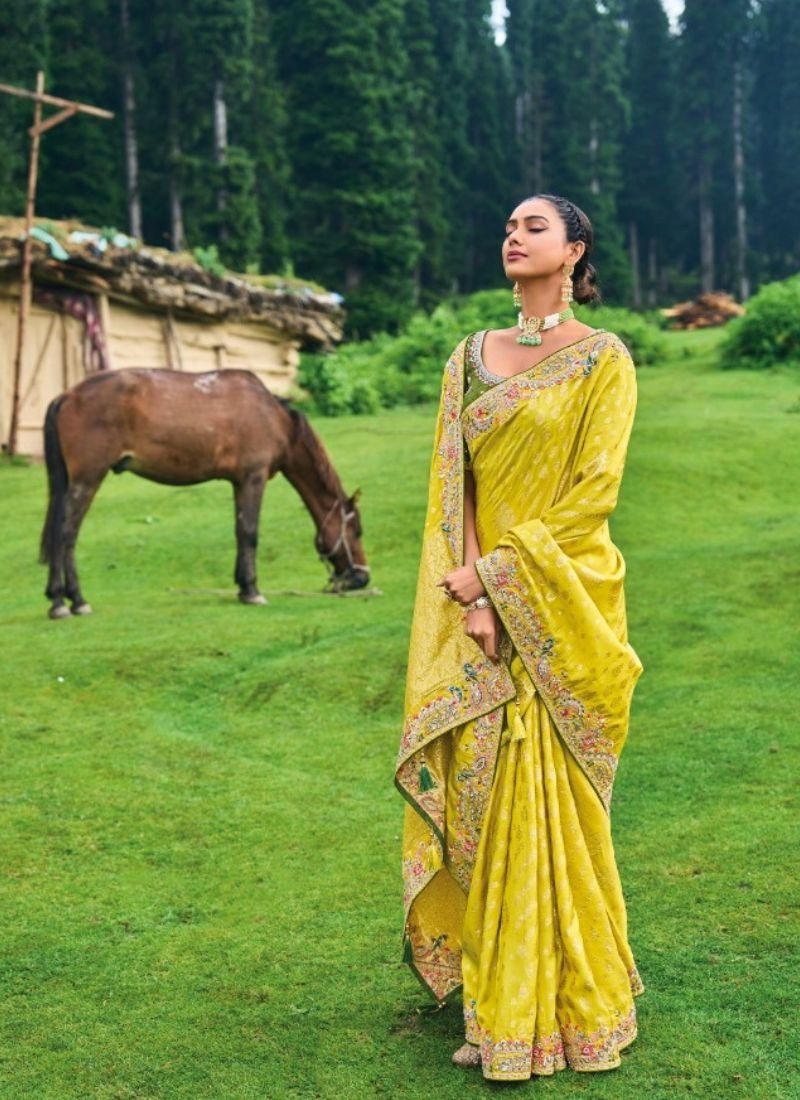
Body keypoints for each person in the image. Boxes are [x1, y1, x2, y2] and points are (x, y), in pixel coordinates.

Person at [395, 194, 644, 1081]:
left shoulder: (604, 360)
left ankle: (570, 1000)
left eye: (533, 226)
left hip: (560, 599)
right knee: (486, 790)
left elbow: (592, 494)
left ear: (575, 250)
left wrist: (504, 584)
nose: (512, 235)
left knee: (550, 798)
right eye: (505, 224)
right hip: (478, 602)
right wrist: (472, 590)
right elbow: (453, 484)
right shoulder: (468, 358)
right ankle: (497, 993)